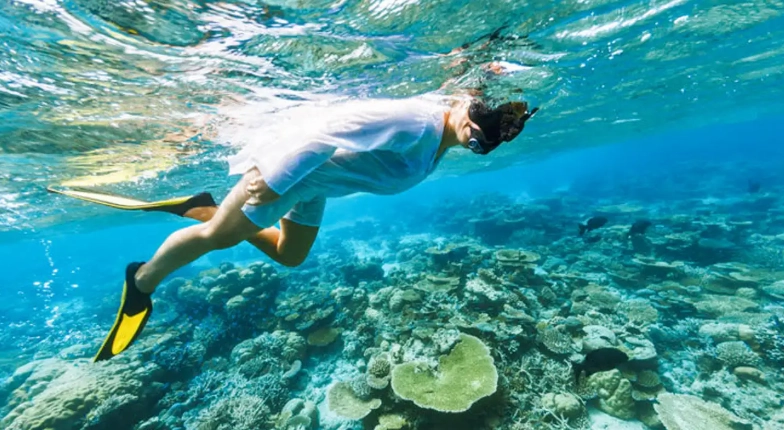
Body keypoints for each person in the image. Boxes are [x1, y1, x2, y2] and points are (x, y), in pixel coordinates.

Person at [90, 90, 538, 363]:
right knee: (214, 241)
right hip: (286, 178)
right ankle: (142, 281)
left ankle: (204, 207)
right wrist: (274, 178)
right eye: (476, 137)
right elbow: (327, 129)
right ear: (467, 111)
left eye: (483, 147)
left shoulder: (440, 132)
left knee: (291, 254)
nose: (473, 144)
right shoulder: (416, 121)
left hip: (311, 187)